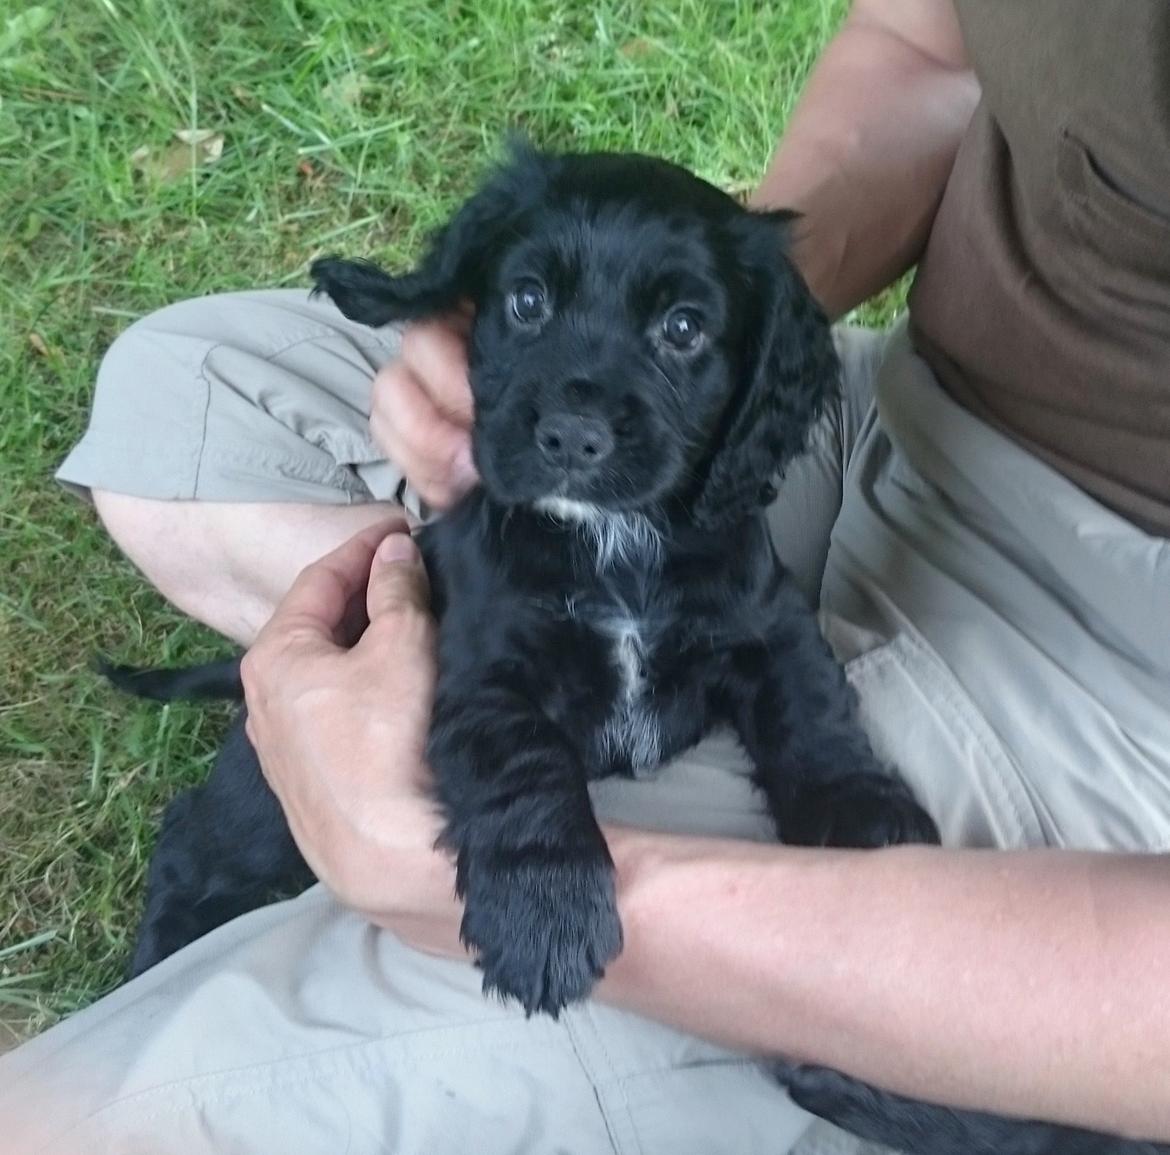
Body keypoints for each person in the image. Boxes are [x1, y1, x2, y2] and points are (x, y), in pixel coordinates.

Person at [3, 0, 1168, 1151]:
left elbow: (773, 667)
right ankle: (354, 756)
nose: (571, 418)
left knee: (67, 1124)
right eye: (523, 302)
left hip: (1100, 633)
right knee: (178, 391)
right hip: (905, 418)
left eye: (671, 334)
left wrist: (535, 869)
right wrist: (708, 303)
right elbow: (922, 48)